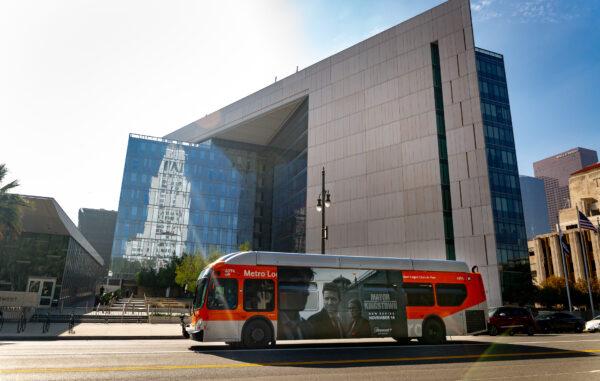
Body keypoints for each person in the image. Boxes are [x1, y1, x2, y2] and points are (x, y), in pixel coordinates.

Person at [277, 267, 315, 340]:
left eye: (307, 287)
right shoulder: (272, 323)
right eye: (301, 286)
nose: (307, 293)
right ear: (283, 289)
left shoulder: (308, 327)